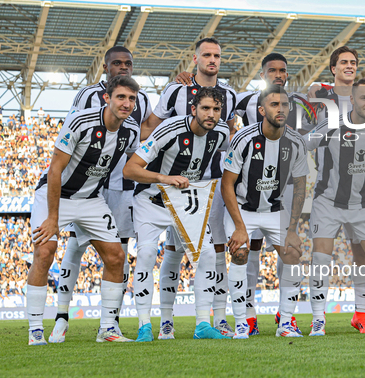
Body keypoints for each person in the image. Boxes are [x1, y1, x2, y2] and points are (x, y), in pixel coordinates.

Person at [26, 75, 141, 345]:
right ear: (107, 98)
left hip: (91, 198)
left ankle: (107, 329)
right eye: (121, 97)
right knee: (45, 252)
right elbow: (55, 170)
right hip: (55, 195)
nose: (126, 103)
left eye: (132, 99)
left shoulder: (131, 130)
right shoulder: (80, 122)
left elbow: (136, 164)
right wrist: (53, 218)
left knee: (116, 257)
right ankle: (35, 329)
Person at [51, 46, 152, 343]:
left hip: (122, 185)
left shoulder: (141, 98)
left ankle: (111, 322)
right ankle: (61, 316)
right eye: (117, 63)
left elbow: (142, 134)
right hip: (89, 184)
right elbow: (71, 135)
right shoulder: (86, 95)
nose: (123, 68)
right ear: (106, 67)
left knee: (117, 252)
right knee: (75, 246)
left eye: (128, 63)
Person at [140, 37, 238, 338]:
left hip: (203, 189)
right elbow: (148, 129)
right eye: (206, 55)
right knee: (170, 250)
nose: (212, 60)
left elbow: (229, 137)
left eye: (217, 55)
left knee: (214, 249)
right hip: (165, 186)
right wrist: (161, 167)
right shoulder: (176, 89)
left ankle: (214, 319)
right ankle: (164, 320)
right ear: (194, 59)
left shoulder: (230, 95)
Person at [124, 86, 231, 341]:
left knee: (207, 254)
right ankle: (144, 325)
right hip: (152, 199)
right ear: (193, 109)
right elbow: (130, 169)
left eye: (216, 109)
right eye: (205, 108)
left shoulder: (222, 133)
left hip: (186, 203)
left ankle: (203, 325)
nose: (211, 114)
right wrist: (165, 178)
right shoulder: (170, 129)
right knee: (148, 253)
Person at [305, 79, 365, 336]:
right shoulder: (332, 125)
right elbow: (303, 144)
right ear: (353, 100)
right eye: (364, 98)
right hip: (328, 200)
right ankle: (318, 320)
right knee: (321, 257)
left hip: (363, 202)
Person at [232, 52, 314, 335]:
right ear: (262, 74)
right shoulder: (243, 100)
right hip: (249, 183)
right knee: (248, 248)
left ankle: (285, 316)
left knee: (290, 249)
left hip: (284, 188)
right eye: (272, 70)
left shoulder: (299, 104)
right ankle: (247, 314)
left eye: (283, 71)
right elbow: (219, 115)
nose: (278, 75)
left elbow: (309, 136)